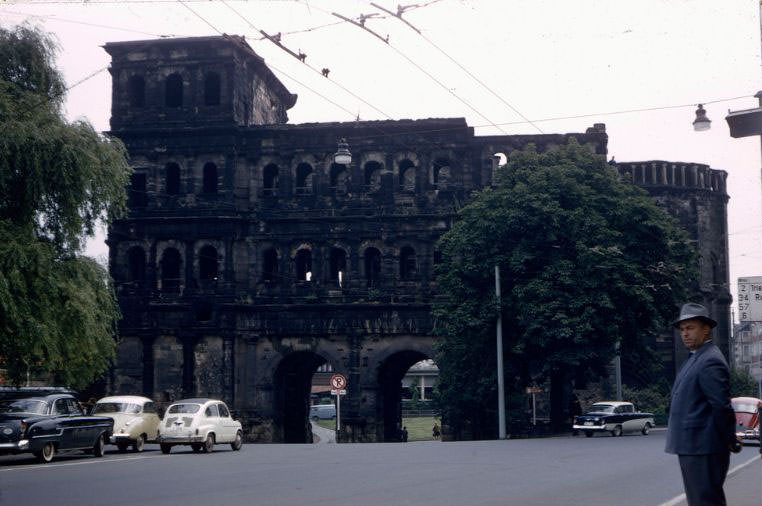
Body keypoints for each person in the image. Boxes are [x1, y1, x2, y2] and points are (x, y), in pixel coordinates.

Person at [665, 302, 742, 506]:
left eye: (690, 328)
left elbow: (721, 406)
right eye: (682, 329)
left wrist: (730, 439)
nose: (685, 334)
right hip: (694, 445)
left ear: (706, 329)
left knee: (705, 501)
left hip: (704, 446)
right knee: (700, 500)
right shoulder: (696, 357)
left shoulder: (710, 360)